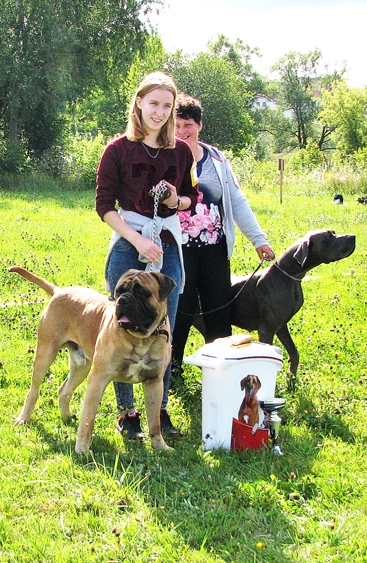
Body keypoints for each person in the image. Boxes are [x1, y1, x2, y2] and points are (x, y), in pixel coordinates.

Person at [95, 71, 199, 440]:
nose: (159, 112)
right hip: (129, 244)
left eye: (166, 106)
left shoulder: (181, 151)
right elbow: (104, 206)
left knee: (162, 331)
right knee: (121, 326)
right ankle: (127, 413)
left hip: (168, 244)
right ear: (138, 102)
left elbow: (192, 197)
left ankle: (161, 409)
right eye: (153, 103)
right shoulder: (118, 149)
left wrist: (176, 200)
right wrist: (137, 241)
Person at [171, 93, 274, 370]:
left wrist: (259, 240)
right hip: (177, 249)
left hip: (215, 248)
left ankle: (221, 365)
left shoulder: (216, 158)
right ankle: (172, 366)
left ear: (199, 125)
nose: (182, 132)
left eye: (188, 125)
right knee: (180, 307)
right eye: (177, 125)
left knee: (219, 307)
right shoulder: (164, 156)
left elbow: (236, 201)